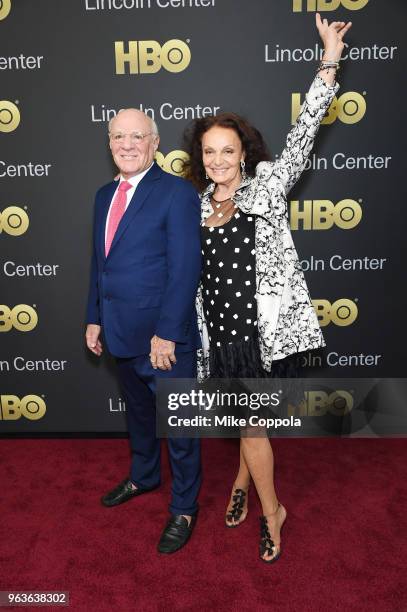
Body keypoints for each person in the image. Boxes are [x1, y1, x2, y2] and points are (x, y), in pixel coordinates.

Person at [182, 14, 352, 563]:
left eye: (227, 150)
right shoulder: (194, 207)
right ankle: (242, 483)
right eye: (209, 152)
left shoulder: (268, 188)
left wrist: (329, 58)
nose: (218, 160)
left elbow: (305, 129)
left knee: (252, 429)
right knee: (246, 426)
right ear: (200, 158)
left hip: (266, 336)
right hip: (223, 340)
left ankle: (271, 511)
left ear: (244, 153)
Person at [85, 108, 202, 554]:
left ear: (154, 142)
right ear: (109, 142)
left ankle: (185, 507)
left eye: (137, 136)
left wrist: (168, 332)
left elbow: (185, 268)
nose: (127, 144)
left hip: (163, 340)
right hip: (119, 332)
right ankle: (144, 476)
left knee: (181, 426)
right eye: (118, 136)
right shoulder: (102, 195)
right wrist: (94, 316)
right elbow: (101, 263)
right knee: (138, 415)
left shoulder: (176, 194)